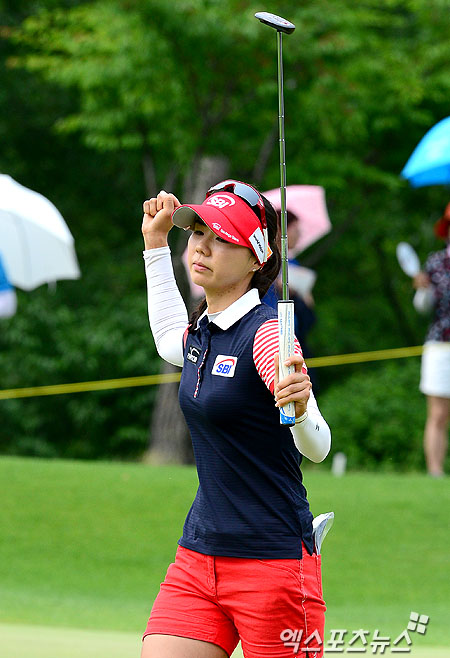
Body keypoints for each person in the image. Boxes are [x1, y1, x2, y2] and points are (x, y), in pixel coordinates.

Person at [140, 180, 331, 658]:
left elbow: (318, 446)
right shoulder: (203, 330)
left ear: (256, 259)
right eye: (198, 232)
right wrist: (156, 246)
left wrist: (302, 407)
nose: (202, 246)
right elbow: (168, 337)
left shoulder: (267, 335)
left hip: (274, 566)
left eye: (222, 238)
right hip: (199, 559)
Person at [413, 201, 450, 477]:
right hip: (440, 344)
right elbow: (423, 307)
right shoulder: (436, 262)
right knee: (438, 414)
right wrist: (422, 290)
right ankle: (435, 471)